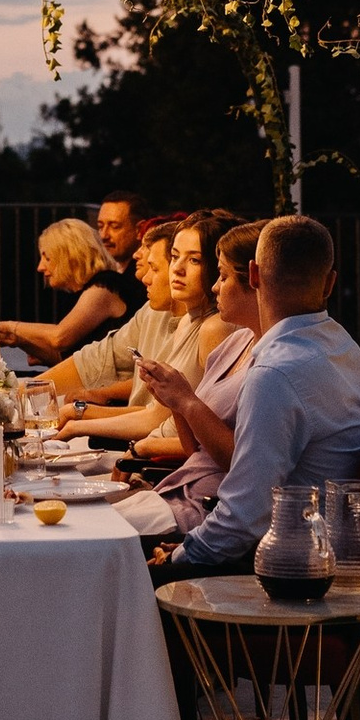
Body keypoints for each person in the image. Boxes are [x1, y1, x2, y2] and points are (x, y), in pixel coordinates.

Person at [148, 216, 360, 579]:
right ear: (330, 282)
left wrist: (177, 558)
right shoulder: (344, 348)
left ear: (254, 275)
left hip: (286, 569)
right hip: (322, 550)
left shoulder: (275, 373)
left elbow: (244, 517)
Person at [125, 219, 264, 534]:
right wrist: (175, 400)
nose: (215, 286)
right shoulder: (234, 344)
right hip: (178, 488)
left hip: (206, 509)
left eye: (222, 276)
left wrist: (185, 401)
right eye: (174, 257)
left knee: (77, 527)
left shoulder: (272, 362)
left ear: (255, 279)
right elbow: (197, 449)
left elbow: (246, 467)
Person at [57, 213, 233, 449]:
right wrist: (75, 422)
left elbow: (215, 442)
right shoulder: (186, 321)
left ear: (217, 267)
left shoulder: (215, 328)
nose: (177, 269)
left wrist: (140, 450)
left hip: (165, 461)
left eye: (194, 260)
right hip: (150, 450)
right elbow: (156, 416)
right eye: (175, 257)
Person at [0, 218, 141, 364]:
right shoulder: (80, 294)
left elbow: (59, 338)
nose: (40, 267)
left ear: (70, 256)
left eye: (47, 258)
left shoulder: (105, 286)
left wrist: (12, 327)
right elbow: (66, 359)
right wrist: (18, 340)